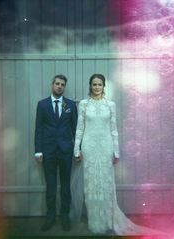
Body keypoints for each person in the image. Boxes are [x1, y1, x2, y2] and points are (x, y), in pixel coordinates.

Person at [71, 74, 163, 235]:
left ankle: (107, 220)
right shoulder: (84, 104)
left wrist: (116, 151)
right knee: (91, 184)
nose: (97, 87)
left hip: (106, 146)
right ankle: (95, 223)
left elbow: (113, 129)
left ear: (103, 86)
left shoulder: (110, 105)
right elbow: (79, 128)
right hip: (89, 146)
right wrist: (76, 149)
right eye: (94, 84)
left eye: (100, 84)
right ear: (90, 86)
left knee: (106, 184)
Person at [34, 74, 78, 232]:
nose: (60, 86)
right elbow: (38, 129)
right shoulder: (43, 105)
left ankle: (65, 217)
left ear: (64, 87)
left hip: (66, 151)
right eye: (57, 83)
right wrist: (38, 151)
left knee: (65, 186)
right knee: (51, 186)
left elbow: (76, 130)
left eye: (62, 84)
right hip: (48, 151)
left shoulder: (71, 105)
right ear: (52, 85)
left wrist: (77, 150)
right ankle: (50, 217)